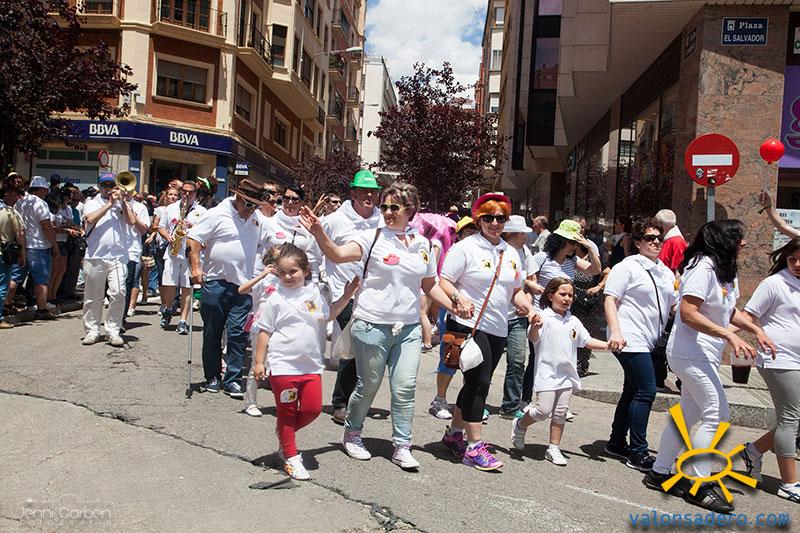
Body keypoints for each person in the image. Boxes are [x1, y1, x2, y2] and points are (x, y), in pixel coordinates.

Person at [302, 182, 464, 469]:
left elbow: (429, 285)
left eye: (394, 207)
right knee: (368, 385)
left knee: (405, 387)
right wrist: (319, 232)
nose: (387, 212)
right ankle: (352, 433)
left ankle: (402, 445)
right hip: (372, 324)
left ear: (410, 210)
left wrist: (455, 304)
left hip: (409, 328)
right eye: (385, 206)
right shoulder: (371, 237)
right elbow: (337, 254)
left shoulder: (423, 244)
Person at [644, 220, 772, 513]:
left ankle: (659, 472)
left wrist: (756, 330)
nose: (744, 243)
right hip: (689, 352)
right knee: (717, 414)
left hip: (703, 354)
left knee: (688, 415)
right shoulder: (703, 268)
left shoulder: (724, 269)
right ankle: (698, 482)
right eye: (739, 238)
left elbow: (729, 310)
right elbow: (688, 313)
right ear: (724, 241)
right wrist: (728, 335)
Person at [438, 193, 538, 471]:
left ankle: (454, 434)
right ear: (479, 219)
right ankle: (474, 446)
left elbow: (515, 292)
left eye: (500, 218)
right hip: (468, 325)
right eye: (489, 218)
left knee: (475, 384)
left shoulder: (511, 253)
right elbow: (443, 281)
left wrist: (531, 310)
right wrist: (458, 297)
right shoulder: (465, 248)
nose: (495, 223)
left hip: (497, 328)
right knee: (479, 384)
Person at [252, 244, 358, 480]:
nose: (288, 276)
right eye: (282, 272)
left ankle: (284, 434)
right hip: (283, 367)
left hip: (310, 366)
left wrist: (347, 295)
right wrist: (259, 363)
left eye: (293, 271)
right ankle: (291, 457)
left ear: (306, 271)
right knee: (287, 413)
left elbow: (328, 315)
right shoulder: (275, 300)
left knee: (312, 410)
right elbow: (264, 333)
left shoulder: (313, 294)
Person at [511, 277, 609, 465]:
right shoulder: (543, 317)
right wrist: (535, 327)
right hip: (547, 373)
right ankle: (520, 424)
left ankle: (553, 448)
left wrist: (608, 345)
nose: (567, 298)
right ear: (550, 295)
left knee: (560, 413)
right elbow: (533, 337)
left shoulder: (573, 320)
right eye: (562, 294)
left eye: (570, 295)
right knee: (542, 411)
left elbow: (586, 341)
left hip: (567, 375)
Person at [603, 219, 676, 471]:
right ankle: (638, 452)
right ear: (637, 242)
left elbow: (674, 305)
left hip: (650, 339)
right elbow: (610, 299)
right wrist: (615, 331)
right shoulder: (627, 267)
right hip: (629, 337)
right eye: (649, 238)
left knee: (633, 390)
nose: (655, 242)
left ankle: (616, 442)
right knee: (646, 391)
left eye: (659, 238)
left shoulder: (665, 271)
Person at [187, 179, 267, 398]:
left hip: (243, 285)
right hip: (216, 281)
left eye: (255, 206)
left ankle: (232, 379)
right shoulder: (217, 214)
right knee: (213, 332)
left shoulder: (257, 218)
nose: (251, 209)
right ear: (238, 198)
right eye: (248, 204)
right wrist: (196, 267)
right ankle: (212, 376)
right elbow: (193, 239)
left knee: (238, 333)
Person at [736, 237, 800, 502]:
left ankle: (751, 452)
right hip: (779, 359)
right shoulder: (774, 284)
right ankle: (789, 484)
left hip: (798, 360)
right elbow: (748, 316)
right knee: (791, 419)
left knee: (794, 421)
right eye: (792, 258)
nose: (797, 264)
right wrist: (724, 335)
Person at [321, 170, 383, 425]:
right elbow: (316, 250)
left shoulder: (382, 221)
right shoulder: (334, 220)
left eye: (373, 192)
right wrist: (320, 281)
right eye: (364, 191)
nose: (369, 195)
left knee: (366, 347)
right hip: (343, 293)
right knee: (355, 342)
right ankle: (340, 402)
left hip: (374, 294)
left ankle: (355, 399)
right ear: (353, 193)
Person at [522, 220, 602, 406]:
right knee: (537, 358)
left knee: (560, 357)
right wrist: (533, 298)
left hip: (563, 318)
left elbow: (595, 270)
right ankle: (526, 399)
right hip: (541, 315)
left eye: (576, 243)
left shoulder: (572, 261)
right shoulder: (542, 258)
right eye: (571, 242)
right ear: (560, 240)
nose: (574, 247)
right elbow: (526, 280)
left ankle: (554, 401)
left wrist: (590, 247)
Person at [81, 174, 148, 347]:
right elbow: (90, 219)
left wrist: (123, 201)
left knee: (119, 293)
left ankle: (113, 330)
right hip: (95, 255)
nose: (109, 188)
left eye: (112, 185)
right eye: (105, 185)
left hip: (118, 256)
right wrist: (110, 204)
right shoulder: (92, 202)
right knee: (93, 296)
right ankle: (92, 330)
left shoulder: (122, 203)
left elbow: (132, 221)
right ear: (99, 186)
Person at [429, 216, 477, 420]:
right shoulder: (456, 251)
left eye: (474, 231)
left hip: (478, 317)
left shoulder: (483, 251)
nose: (471, 234)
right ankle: (439, 399)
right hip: (453, 314)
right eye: (467, 231)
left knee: (474, 362)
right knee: (450, 358)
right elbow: (442, 282)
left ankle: (470, 401)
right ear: (459, 235)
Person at [157, 178, 206, 334]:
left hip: (190, 254)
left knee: (187, 288)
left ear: (195, 194)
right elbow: (160, 227)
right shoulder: (171, 208)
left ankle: (183, 320)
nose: (186, 195)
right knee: (169, 286)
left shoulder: (201, 211)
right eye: (184, 192)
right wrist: (168, 237)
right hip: (173, 252)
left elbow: (206, 233)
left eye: (190, 192)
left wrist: (191, 227)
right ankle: (168, 309)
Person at [7, 176, 59, 320]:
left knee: (15, 277)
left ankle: (6, 304)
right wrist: (54, 245)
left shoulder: (20, 203)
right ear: (41, 189)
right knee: (41, 280)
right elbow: (46, 226)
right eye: (45, 190)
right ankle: (41, 309)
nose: (46, 193)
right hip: (39, 247)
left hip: (22, 245)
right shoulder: (40, 204)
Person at [498, 215, 534, 419]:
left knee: (518, 361)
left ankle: (510, 406)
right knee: (486, 363)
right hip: (496, 316)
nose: (525, 237)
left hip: (518, 317)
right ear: (510, 234)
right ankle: (476, 404)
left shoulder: (525, 252)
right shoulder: (498, 250)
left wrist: (527, 302)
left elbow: (529, 281)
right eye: (522, 233)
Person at [239, 245, 280, 417]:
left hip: (281, 327)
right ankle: (250, 402)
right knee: (257, 364)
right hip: (261, 326)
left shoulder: (287, 280)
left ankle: (283, 402)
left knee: (279, 367)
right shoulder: (264, 279)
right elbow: (242, 289)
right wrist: (263, 274)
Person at [260, 185, 322, 278]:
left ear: (301, 202)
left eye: (295, 199)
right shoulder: (269, 223)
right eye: (286, 198)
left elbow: (313, 257)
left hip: (296, 280)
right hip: (271, 279)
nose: (290, 202)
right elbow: (259, 252)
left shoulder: (307, 226)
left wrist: (314, 280)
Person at [0, 176, 26, 329]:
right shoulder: (10, 212)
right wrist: (22, 255)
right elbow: (20, 234)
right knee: (2, 286)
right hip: (4, 254)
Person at [123, 194, 151, 319]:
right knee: (115, 286)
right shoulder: (111, 204)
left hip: (132, 250)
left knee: (129, 282)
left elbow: (144, 229)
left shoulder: (140, 207)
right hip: (113, 251)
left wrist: (132, 213)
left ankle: (123, 315)